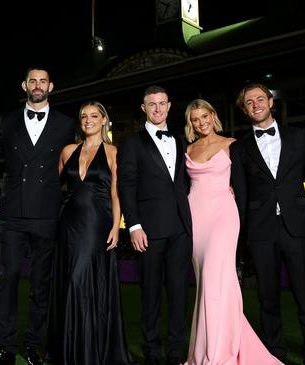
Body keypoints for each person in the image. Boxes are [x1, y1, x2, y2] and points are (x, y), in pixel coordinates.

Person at [230, 83, 305, 364]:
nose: (256, 104)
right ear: (244, 109)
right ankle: (273, 353)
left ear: (271, 102)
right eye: (249, 102)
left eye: (260, 99)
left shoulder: (298, 136)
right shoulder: (239, 149)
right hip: (260, 231)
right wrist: (241, 237)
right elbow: (240, 193)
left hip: (297, 226)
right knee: (267, 298)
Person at [183, 98, 282, 365]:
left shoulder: (232, 146)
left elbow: (244, 185)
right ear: (190, 123)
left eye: (205, 116)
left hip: (224, 217)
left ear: (213, 116)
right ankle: (208, 347)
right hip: (196, 218)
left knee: (216, 279)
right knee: (206, 283)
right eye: (195, 119)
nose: (201, 122)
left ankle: (218, 354)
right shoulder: (188, 149)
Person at [0, 67, 76, 365]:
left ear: (51, 86)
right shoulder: (8, 120)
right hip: (13, 212)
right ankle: (6, 346)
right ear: (24, 84)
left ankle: (32, 344)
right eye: (33, 81)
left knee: (41, 283)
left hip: (47, 212)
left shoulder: (67, 124)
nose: (38, 85)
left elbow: (72, 170)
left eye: (43, 81)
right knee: (9, 278)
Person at [46, 101, 135, 365]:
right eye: (84, 116)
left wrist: (116, 227)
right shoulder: (67, 151)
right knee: (70, 280)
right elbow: (52, 188)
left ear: (104, 120)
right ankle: (69, 351)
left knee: (80, 280)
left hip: (97, 224)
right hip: (68, 224)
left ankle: (87, 351)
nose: (88, 120)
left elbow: (116, 193)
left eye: (94, 115)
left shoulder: (112, 152)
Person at [117, 85, 192, 365]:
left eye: (162, 103)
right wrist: (134, 225)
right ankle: (151, 352)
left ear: (169, 106)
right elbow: (127, 185)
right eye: (152, 104)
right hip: (148, 230)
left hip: (181, 229)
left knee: (179, 293)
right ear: (143, 108)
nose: (158, 109)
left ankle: (175, 352)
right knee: (149, 294)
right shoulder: (132, 143)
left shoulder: (182, 140)